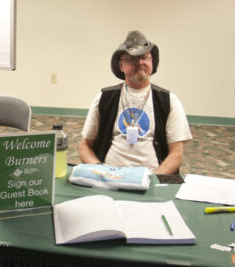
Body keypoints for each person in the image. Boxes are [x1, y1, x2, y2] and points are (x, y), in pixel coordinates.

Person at [78, 30, 192, 174]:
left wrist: (152, 180)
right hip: (110, 175)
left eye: (145, 57)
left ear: (152, 62)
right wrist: (100, 171)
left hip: (154, 176)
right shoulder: (104, 98)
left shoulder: (169, 100)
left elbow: (176, 154)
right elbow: (84, 146)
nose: (139, 63)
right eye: (132, 59)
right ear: (121, 66)